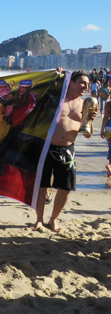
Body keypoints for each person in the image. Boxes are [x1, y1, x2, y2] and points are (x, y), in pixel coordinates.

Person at [32, 71, 97, 233]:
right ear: (71, 83)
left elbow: (88, 134)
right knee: (41, 186)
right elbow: (38, 92)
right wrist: (56, 76)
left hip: (67, 150)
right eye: (82, 82)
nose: (85, 86)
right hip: (46, 147)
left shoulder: (85, 104)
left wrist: (90, 120)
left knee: (65, 188)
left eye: (87, 84)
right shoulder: (56, 99)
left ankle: (53, 219)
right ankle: (39, 220)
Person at [100, 96, 111, 177]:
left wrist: (102, 130)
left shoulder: (108, 104)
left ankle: (110, 168)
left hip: (109, 127)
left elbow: (106, 118)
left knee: (110, 148)